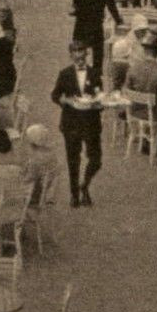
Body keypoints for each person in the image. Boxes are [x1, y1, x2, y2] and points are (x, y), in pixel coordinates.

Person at [50, 42, 103, 207]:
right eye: (76, 53)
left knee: (96, 159)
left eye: (82, 53)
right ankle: (74, 194)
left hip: (91, 122)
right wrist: (65, 100)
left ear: (86, 54)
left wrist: (99, 103)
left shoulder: (94, 73)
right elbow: (55, 95)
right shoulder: (65, 74)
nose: (79, 56)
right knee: (73, 160)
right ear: (71, 55)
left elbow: (99, 94)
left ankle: (85, 185)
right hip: (71, 122)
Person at [71, 0, 123, 79]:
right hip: (95, 23)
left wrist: (78, 9)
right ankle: (96, 76)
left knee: (79, 47)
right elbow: (111, 6)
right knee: (98, 52)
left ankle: (78, 72)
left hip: (81, 21)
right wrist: (119, 21)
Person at [124, 28, 157, 152]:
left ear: (144, 51)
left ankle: (146, 138)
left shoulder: (133, 68)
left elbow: (126, 91)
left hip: (135, 111)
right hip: (154, 114)